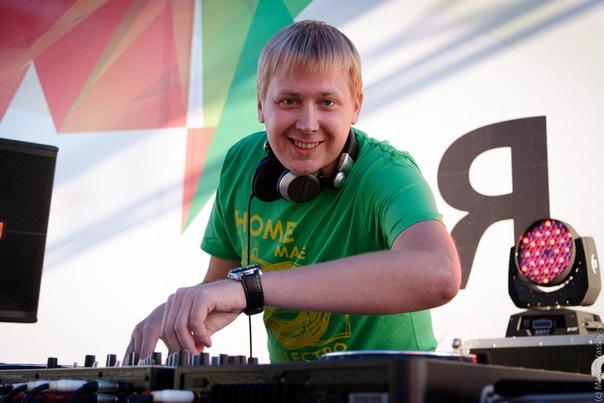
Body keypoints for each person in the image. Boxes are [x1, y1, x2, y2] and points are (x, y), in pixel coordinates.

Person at [126, 19, 461, 364]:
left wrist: (250, 290)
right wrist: (179, 310)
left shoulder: (387, 173)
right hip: (289, 382)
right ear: (261, 105)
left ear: (356, 106)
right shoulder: (241, 163)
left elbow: (440, 274)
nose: (307, 124)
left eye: (327, 102)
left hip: (392, 381)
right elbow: (222, 284)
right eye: (289, 101)